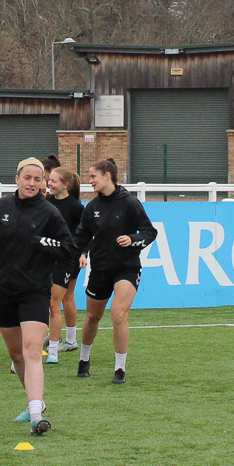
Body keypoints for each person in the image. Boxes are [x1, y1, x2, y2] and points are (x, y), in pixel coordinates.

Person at [0, 157, 75, 435]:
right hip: (5, 290)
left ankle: (36, 415)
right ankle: (34, 402)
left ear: (43, 183)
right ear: (17, 179)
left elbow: (68, 249)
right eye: (27, 178)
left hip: (36, 291)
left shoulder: (50, 213)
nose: (32, 183)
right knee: (16, 354)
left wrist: (46, 243)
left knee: (32, 351)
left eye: (37, 179)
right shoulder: (1, 207)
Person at [77, 159, 156, 383]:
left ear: (107, 176)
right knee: (93, 316)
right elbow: (82, 236)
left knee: (118, 314)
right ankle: (84, 359)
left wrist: (132, 239)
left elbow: (149, 232)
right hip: (100, 268)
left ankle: (120, 368)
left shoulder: (130, 203)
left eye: (93, 176)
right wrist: (82, 253)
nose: (90, 181)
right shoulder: (92, 207)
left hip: (127, 268)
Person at [43, 163, 88, 365]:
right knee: (55, 299)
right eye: (49, 180)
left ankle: (67, 340)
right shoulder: (47, 202)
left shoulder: (76, 208)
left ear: (65, 184)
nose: (49, 184)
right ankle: (59, 336)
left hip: (69, 258)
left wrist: (84, 253)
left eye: (53, 181)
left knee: (62, 298)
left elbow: (87, 233)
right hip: (49, 256)